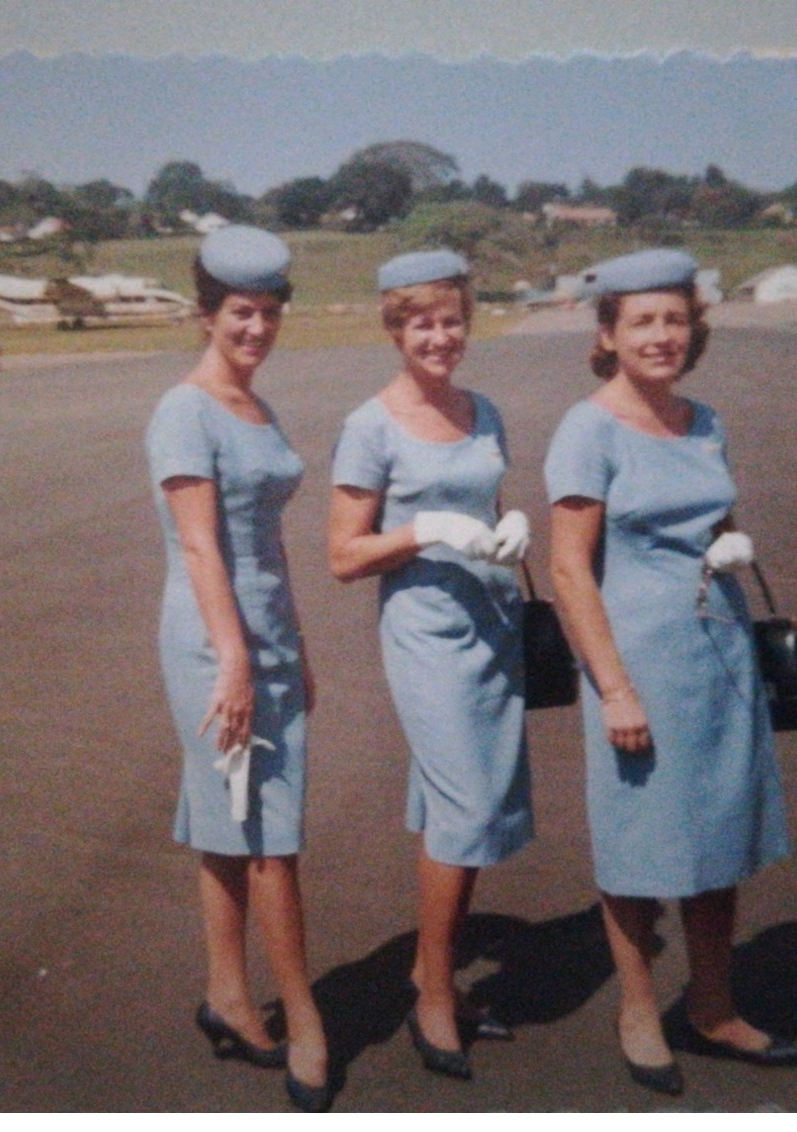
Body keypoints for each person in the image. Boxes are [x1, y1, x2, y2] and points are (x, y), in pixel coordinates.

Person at [544, 248, 797, 1097]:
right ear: (609, 334)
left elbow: (716, 520)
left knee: (720, 831)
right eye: (643, 321)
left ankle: (715, 1004)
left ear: (694, 329)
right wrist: (613, 685)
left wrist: (729, 544)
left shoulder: (705, 421)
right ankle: (641, 1008)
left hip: (720, 655)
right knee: (639, 841)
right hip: (638, 663)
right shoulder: (588, 429)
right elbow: (571, 570)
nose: (662, 336)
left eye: (675, 319)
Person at [328, 250, 533, 1082]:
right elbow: (343, 555)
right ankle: (436, 997)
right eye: (422, 323)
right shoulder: (369, 425)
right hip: (427, 635)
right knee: (467, 806)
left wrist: (507, 525)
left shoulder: (484, 412)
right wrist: (426, 532)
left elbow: (488, 501)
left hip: (495, 624)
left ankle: (429, 970)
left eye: (452, 320)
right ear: (395, 328)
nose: (440, 336)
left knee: (466, 801)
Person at [144, 225, 330, 1112]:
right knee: (269, 840)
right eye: (239, 314)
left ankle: (226, 997)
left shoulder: (257, 406)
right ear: (206, 315)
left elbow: (269, 548)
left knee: (232, 827)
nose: (256, 328)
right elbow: (201, 546)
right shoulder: (185, 410)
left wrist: (295, 646)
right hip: (213, 643)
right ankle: (306, 1024)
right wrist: (236, 664)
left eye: (267, 313)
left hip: (266, 639)